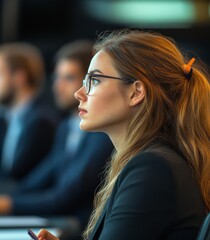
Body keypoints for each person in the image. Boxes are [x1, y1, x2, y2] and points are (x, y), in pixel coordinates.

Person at [38, 30, 210, 240]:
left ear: (136, 92)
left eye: (95, 80)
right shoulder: (154, 160)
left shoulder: (153, 168)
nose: (79, 93)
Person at [0, 40, 113, 231]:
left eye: (68, 78)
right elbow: (36, 181)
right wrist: (6, 198)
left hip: (81, 229)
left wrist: (8, 204)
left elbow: (65, 196)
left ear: (91, 83)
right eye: (57, 78)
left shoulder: (102, 133)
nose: (57, 87)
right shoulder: (66, 127)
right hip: (63, 222)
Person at [0, 43, 56, 181]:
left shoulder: (41, 122)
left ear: (19, 77)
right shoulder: (7, 118)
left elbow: (19, 179)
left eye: (0, 73)